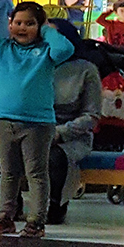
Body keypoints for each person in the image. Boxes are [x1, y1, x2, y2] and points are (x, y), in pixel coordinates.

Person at [0, 1, 74, 237]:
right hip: (3, 120)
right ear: (10, 25)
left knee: (36, 173)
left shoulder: (46, 51)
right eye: (17, 23)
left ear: (40, 26)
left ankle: (36, 221)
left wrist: (47, 30)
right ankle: (5, 216)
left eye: (30, 23)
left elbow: (65, 49)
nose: (22, 27)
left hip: (37, 123)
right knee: (8, 172)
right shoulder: (2, 47)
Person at [47, 25, 104, 226]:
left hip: (72, 136)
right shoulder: (35, 64)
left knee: (56, 156)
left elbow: (92, 115)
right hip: (35, 130)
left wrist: (60, 132)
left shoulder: (86, 70)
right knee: (1, 152)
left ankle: (55, 205)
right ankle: (10, 205)